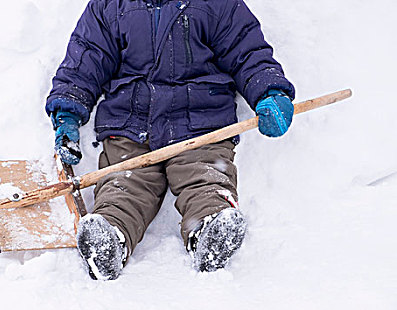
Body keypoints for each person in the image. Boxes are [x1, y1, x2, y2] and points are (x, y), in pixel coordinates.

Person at [46, 0, 295, 280]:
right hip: (132, 119)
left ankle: (209, 228)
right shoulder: (110, 6)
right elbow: (84, 61)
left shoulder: (218, 4)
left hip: (201, 119)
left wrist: (269, 92)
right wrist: (68, 112)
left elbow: (246, 52)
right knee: (125, 182)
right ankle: (111, 236)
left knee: (203, 174)